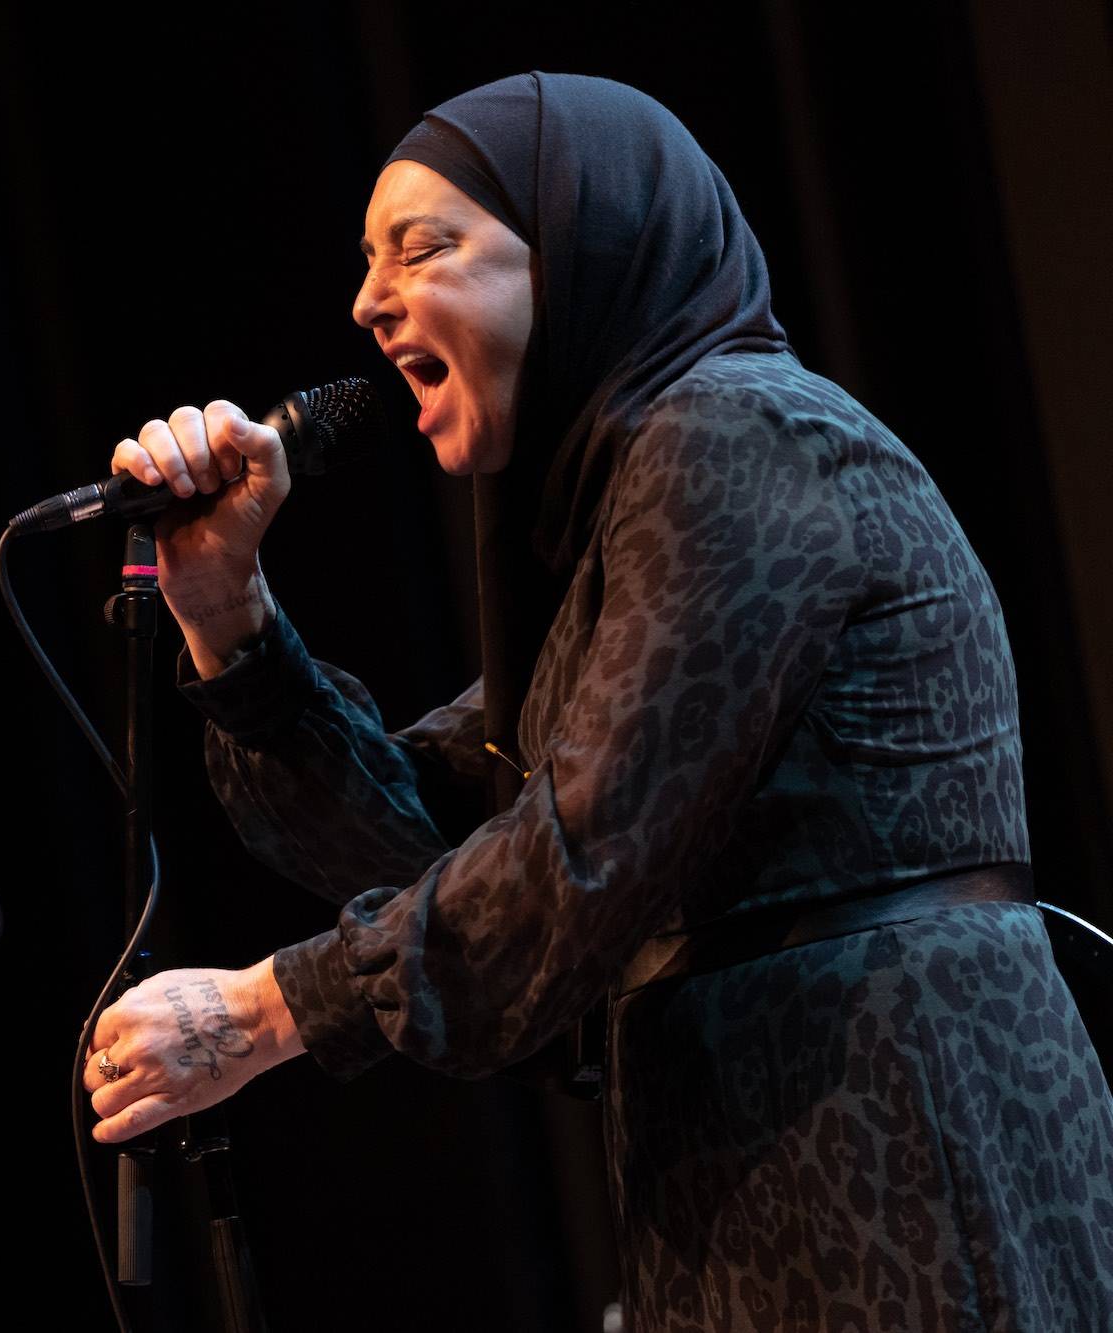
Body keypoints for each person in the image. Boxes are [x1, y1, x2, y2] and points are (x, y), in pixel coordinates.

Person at [78, 72, 1113, 1330]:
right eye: (366, 261)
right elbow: (428, 843)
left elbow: (576, 851)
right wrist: (224, 611)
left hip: (896, 1125)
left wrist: (266, 1010)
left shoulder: (735, 439)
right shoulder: (608, 534)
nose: (366, 301)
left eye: (424, 247)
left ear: (581, 251)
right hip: (752, 1148)